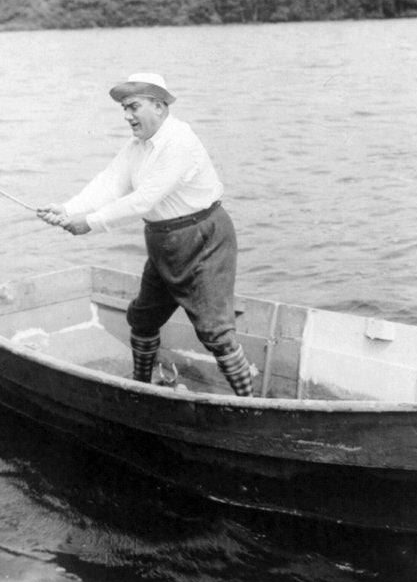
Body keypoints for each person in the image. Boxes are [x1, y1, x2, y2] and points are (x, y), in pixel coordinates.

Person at [37, 72, 254, 397]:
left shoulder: (180, 141)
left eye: (133, 107)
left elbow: (144, 199)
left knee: (215, 332)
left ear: (159, 105)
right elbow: (110, 183)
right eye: (124, 108)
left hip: (204, 240)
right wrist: (68, 209)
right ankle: (141, 386)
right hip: (165, 243)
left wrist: (90, 223)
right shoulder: (136, 146)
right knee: (142, 318)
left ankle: (248, 402)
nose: (126, 116)